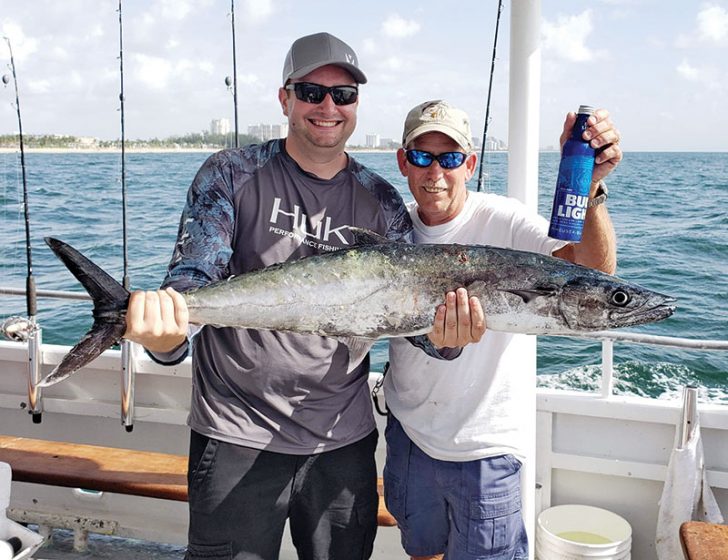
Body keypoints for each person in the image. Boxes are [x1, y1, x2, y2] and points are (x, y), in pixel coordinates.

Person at [123, 35, 481, 560]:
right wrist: (166, 335)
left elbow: (421, 330)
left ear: (357, 105)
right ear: (285, 98)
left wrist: (450, 338)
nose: (328, 107)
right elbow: (191, 283)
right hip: (235, 435)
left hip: (342, 442)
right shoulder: (230, 174)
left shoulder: (381, 200)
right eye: (312, 91)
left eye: (344, 94)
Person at [383, 100, 621, 560]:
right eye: (421, 157)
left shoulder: (505, 221)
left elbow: (593, 272)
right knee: (422, 552)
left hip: (485, 449)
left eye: (450, 159)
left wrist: (590, 190)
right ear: (403, 162)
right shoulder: (392, 228)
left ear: (469, 165)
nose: (436, 172)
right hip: (408, 434)